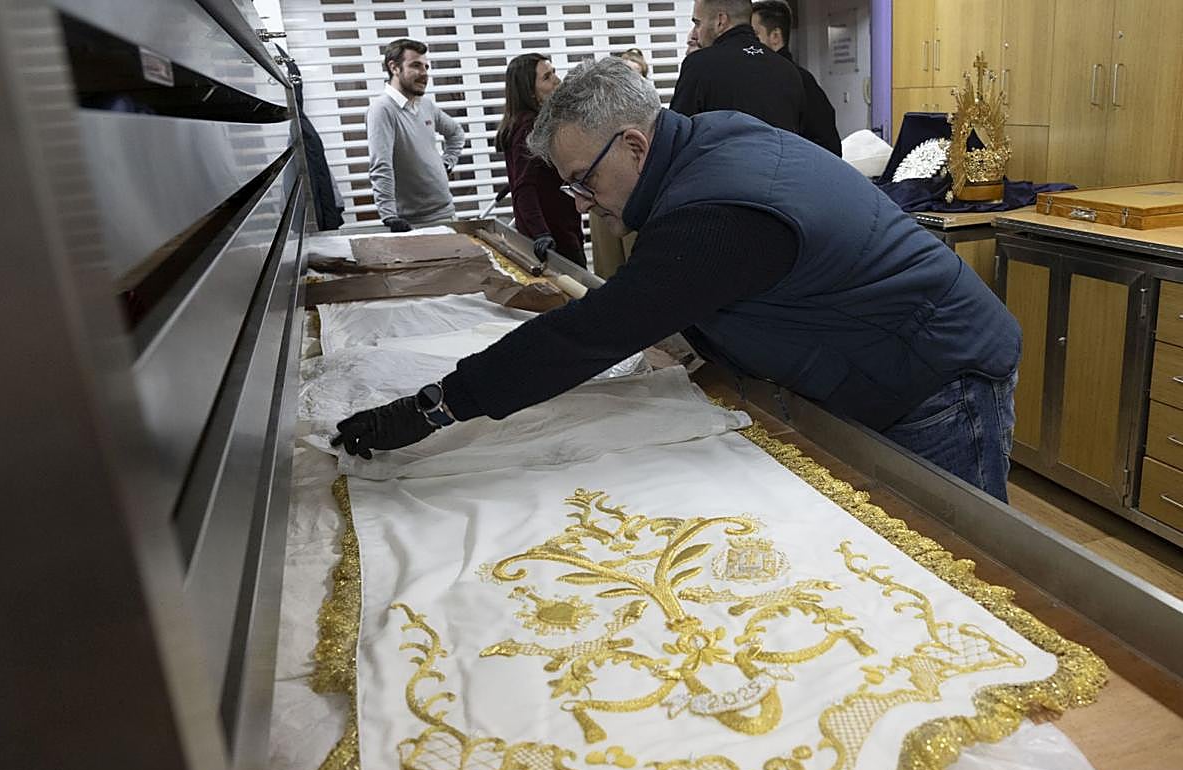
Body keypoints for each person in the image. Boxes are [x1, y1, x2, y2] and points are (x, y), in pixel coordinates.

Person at [332, 59, 1021, 503]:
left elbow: (591, 333)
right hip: (892, 356)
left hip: (941, 377)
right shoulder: (706, 137)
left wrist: (436, 405)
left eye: (583, 181)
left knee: (957, 570)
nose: (579, 201)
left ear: (633, 144)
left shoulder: (712, 213)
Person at [496, 54, 585, 266]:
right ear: (529, 91)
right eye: (547, 77)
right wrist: (541, 233)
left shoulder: (529, 122)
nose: (557, 80)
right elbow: (524, 186)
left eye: (553, 72)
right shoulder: (530, 126)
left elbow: (529, 174)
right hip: (554, 235)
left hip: (561, 225)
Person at [367, 38, 465, 231]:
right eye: (416, 66)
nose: (424, 74)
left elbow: (456, 133)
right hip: (414, 222)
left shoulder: (425, 105)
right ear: (394, 68)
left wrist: (447, 162)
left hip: (446, 212)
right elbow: (381, 165)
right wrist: (389, 216)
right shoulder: (382, 109)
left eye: (426, 67)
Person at [670, 0, 803, 133]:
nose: (695, 34)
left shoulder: (699, 65)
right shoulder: (788, 71)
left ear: (720, 21)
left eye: (698, 23)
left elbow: (676, 134)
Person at [751, 0, 841, 156]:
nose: (746, 43)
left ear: (775, 36)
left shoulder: (796, 80)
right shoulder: (797, 78)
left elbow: (826, 142)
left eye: (753, 35)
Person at [591, 48, 650, 278]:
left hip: (635, 199)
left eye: (637, 76)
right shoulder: (595, 115)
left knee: (636, 268)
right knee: (607, 269)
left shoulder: (649, 119)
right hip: (603, 203)